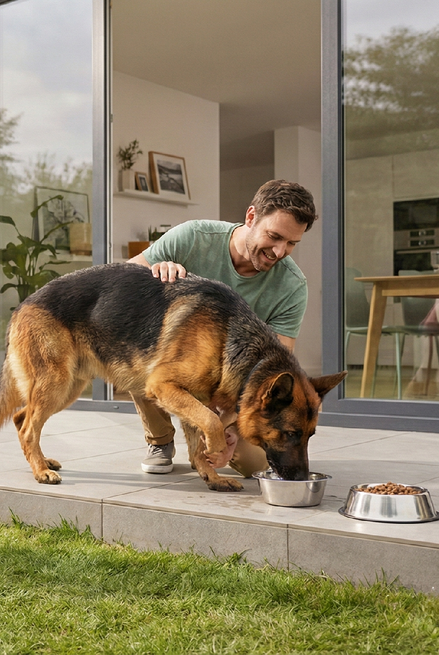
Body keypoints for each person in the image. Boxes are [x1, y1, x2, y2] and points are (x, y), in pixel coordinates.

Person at [127, 179, 319, 477]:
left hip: (234, 389)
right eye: (275, 236)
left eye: (292, 243)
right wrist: (155, 270)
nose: (280, 251)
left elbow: (273, 376)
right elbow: (122, 280)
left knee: (253, 463)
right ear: (251, 217)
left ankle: (210, 439)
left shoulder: (292, 287)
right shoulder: (193, 237)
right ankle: (160, 440)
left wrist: (229, 423)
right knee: (142, 351)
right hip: (178, 364)